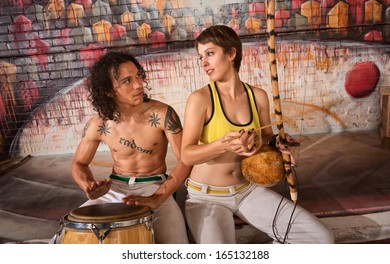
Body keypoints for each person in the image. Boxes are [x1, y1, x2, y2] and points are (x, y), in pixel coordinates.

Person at [181, 25, 335, 244]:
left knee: (320, 239)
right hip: (206, 196)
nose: (204, 63)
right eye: (200, 57)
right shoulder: (200, 99)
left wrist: (277, 144)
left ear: (231, 53)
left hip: (247, 190)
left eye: (210, 53)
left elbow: (266, 138)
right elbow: (186, 155)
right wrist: (223, 145)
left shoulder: (258, 96)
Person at [57, 51, 191, 244]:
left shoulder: (162, 114)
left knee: (177, 246)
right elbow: (79, 163)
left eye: (138, 76)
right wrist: (88, 185)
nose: (139, 84)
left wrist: (159, 196)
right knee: (69, 238)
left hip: (154, 186)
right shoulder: (99, 124)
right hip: (113, 189)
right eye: (127, 81)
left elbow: (186, 160)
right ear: (109, 90)